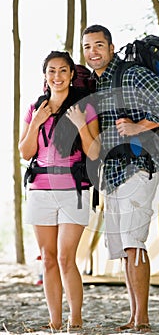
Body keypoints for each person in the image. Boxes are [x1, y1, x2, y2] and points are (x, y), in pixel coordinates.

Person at [82, 25, 159, 332]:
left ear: (111, 48)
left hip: (139, 166)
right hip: (115, 172)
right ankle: (134, 317)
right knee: (125, 247)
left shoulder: (130, 74)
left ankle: (142, 320)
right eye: (87, 47)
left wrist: (140, 125)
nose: (93, 52)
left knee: (133, 243)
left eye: (99, 45)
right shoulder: (98, 83)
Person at [19, 51, 100, 330]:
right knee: (49, 259)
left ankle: (74, 318)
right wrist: (37, 124)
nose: (57, 76)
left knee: (66, 257)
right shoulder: (34, 109)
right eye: (52, 71)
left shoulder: (84, 109)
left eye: (63, 71)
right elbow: (26, 151)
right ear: (45, 75)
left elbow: (94, 152)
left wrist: (81, 126)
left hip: (74, 190)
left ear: (71, 74)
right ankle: (54, 322)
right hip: (40, 189)